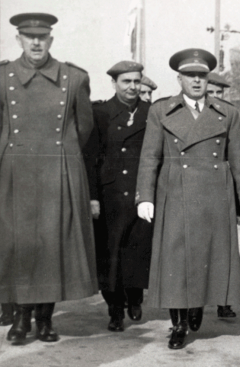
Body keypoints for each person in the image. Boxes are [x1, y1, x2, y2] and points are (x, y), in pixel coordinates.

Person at [136, 48, 240, 349]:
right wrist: (145, 197)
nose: (197, 81)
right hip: (174, 191)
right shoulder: (161, 111)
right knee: (176, 259)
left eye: (201, 76)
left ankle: (196, 306)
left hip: (216, 192)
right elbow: (149, 156)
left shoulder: (227, 113)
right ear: (179, 78)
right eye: (190, 76)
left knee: (207, 257)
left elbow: (239, 159)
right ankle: (177, 323)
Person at [0, 13, 97, 344]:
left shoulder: (73, 77)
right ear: (19, 40)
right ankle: (21, 319)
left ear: (51, 40)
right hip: (14, 173)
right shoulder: (3, 77)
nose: (36, 42)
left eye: (42, 37)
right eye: (29, 37)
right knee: (20, 247)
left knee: (52, 246)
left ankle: (45, 320)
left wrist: (63, 160)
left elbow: (83, 128)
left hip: (58, 169)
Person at [84, 61, 153, 332]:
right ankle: (114, 309)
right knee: (109, 256)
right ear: (114, 83)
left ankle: (135, 298)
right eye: (126, 81)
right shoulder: (100, 113)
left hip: (141, 194)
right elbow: (90, 158)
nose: (133, 87)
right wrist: (92, 197)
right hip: (109, 194)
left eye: (137, 81)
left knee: (137, 252)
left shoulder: (152, 113)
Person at [202, 70, 237, 319]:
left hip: (223, 187)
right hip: (196, 187)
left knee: (223, 249)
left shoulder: (230, 116)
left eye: (219, 93)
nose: (215, 97)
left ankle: (224, 300)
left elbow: (237, 158)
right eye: (210, 92)